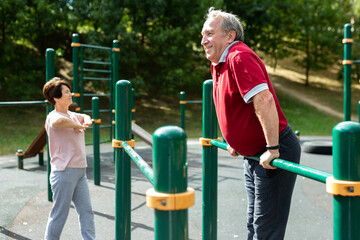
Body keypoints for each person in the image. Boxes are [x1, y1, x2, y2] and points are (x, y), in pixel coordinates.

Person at [201, 7, 301, 240]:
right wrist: (233, 139)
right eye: (203, 35)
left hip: (273, 150)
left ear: (230, 36)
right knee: (254, 224)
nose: (204, 40)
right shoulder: (219, 63)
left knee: (265, 229)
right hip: (254, 154)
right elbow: (232, 104)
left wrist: (273, 149)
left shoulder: (239, 57)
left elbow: (264, 99)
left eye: (209, 34)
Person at [43, 77, 97, 240]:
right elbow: (58, 122)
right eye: (66, 92)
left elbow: (85, 117)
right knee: (59, 214)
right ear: (56, 98)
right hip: (64, 173)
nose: (70, 94)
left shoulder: (73, 115)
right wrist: (76, 125)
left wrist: (86, 121)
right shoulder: (53, 116)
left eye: (69, 91)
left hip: (80, 172)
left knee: (86, 211)